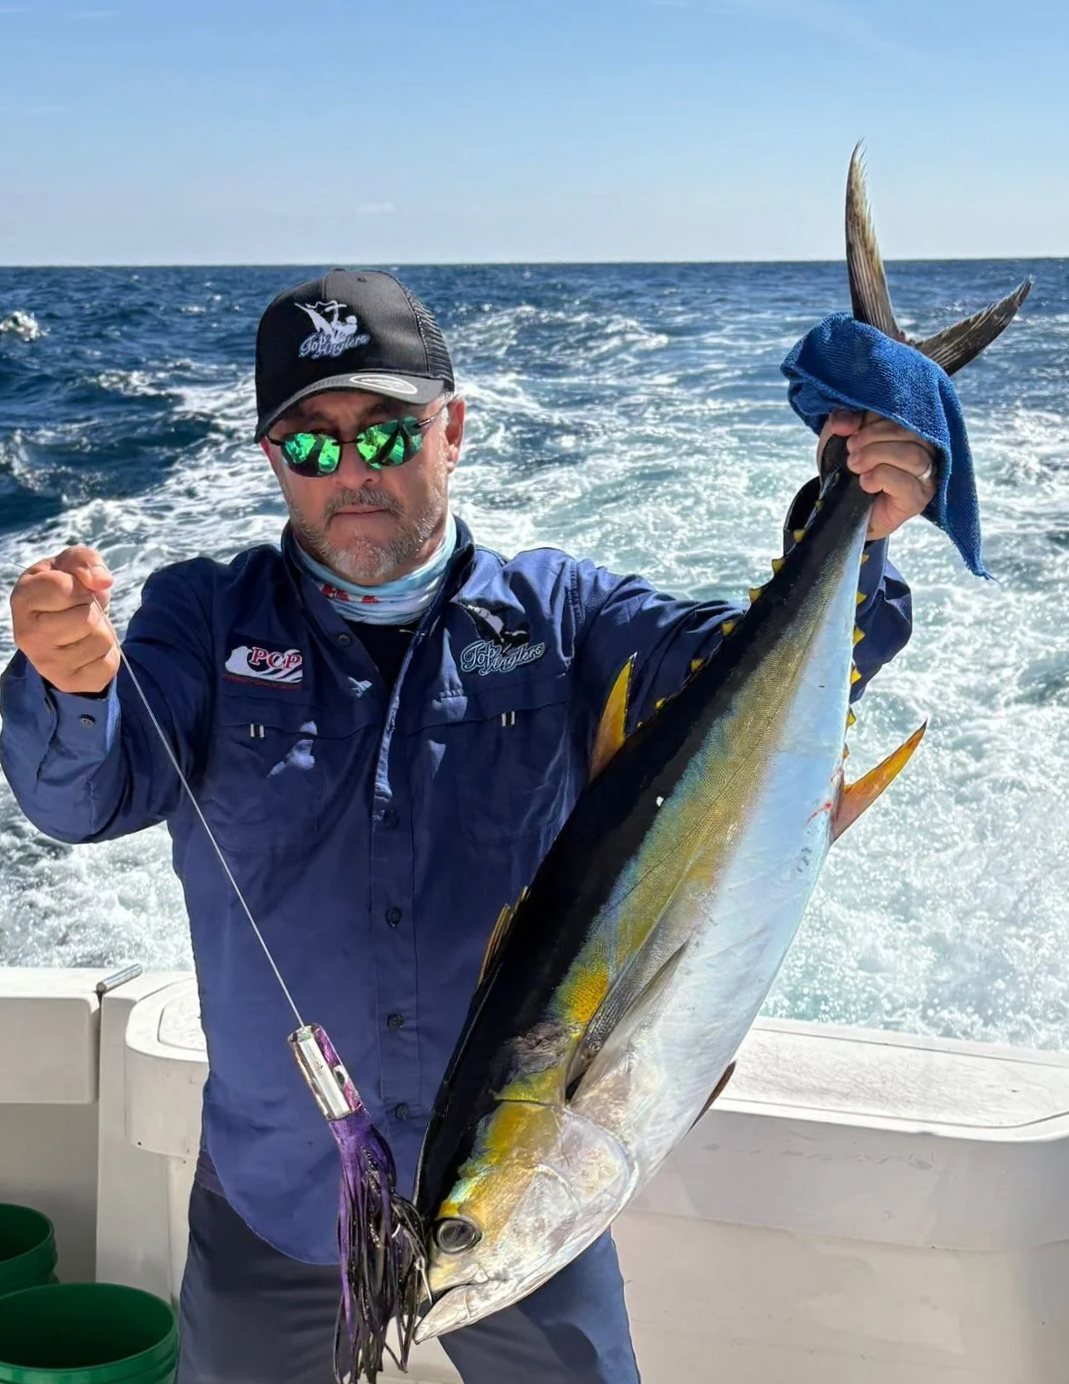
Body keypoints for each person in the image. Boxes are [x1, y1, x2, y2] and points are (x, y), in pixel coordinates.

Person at [0, 269, 934, 1384]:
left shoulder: (565, 617)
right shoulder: (204, 619)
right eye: (311, 445)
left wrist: (855, 530)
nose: (351, 473)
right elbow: (82, 797)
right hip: (279, 1199)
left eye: (387, 436)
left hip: (521, 1212)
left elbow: (734, 679)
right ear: (270, 461)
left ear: (452, 429)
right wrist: (67, 682)